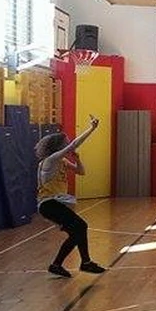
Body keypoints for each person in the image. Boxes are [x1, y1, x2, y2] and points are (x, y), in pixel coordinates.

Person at [36, 115, 105, 278]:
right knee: (81, 226)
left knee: (77, 232)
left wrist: (78, 159)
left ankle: (58, 265)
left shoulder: (62, 162)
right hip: (48, 204)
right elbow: (74, 144)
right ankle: (85, 263)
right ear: (59, 146)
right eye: (65, 143)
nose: (68, 144)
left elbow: (81, 172)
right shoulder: (50, 161)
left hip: (56, 204)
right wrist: (92, 128)